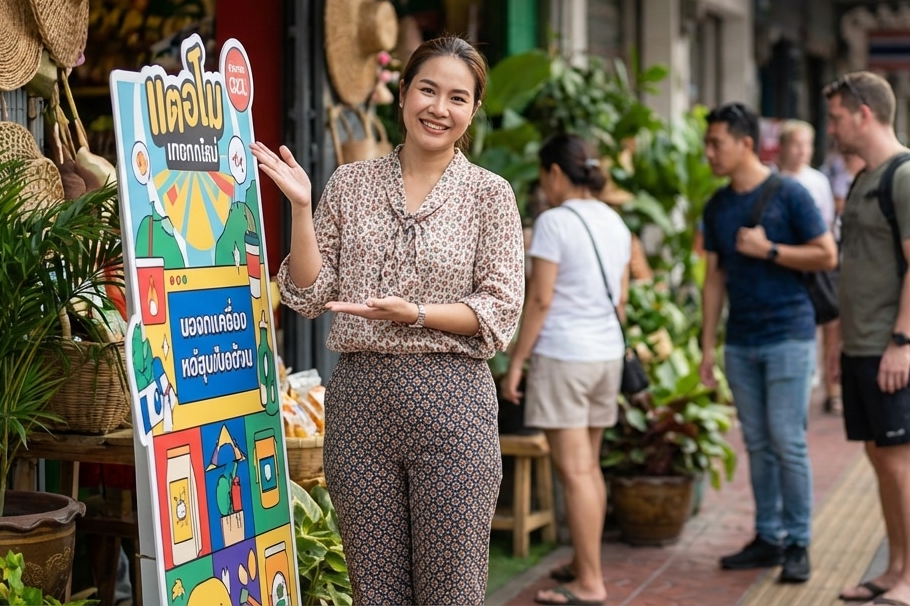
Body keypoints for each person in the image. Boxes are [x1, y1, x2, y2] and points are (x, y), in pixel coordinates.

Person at [254, 36, 526, 605]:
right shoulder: (350, 184)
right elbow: (306, 294)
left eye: (457, 97)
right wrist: (301, 208)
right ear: (402, 94)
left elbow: (500, 312)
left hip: (453, 407)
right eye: (427, 89)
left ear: (473, 109)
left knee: (451, 590)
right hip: (359, 406)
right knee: (374, 592)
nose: (438, 108)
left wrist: (417, 314)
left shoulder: (489, 195)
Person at [698, 103, 837, 583]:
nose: (709, 152)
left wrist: (770, 250)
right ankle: (768, 535)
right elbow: (713, 278)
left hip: (789, 334)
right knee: (757, 442)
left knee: (787, 440)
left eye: (717, 143)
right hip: (740, 342)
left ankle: (798, 542)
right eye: (707, 143)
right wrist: (705, 348)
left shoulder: (790, 194)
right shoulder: (716, 206)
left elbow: (826, 254)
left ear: (747, 144)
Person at [500, 134, 630, 606]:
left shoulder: (553, 223)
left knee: (573, 472)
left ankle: (590, 582)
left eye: (543, 176)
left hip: (565, 356)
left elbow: (540, 299)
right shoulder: (615, 221)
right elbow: (621, 299)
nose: (542, 186)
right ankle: (583, 561)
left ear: (555, 172)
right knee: (587, 467)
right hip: (605, 356)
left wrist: (516, 364)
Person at [827, 72, 910, 606]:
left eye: (836, 117)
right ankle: (895, 568)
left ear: (863, 113)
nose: (833, 128)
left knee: (903, 458)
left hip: (897, 347)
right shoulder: (865, 177)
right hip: (863, 345)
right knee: (880, 457)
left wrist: (902, 340)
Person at [778, 120, 843, 415]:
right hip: (782, 266)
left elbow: (827, 225)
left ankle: (830, 385)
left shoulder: (818, 181)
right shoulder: (771, 180)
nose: (802, 151)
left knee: (828, 319)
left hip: (816, 264)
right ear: (782, 147)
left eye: (807, 144)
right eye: (796, 144)